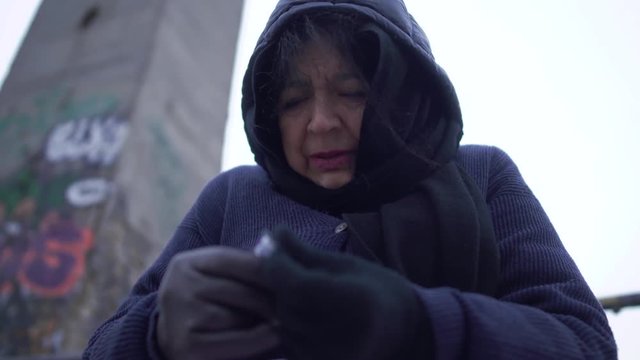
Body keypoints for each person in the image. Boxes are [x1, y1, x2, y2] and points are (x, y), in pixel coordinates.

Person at [83, 0, 617, 359]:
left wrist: (417, 323)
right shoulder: (232, 197)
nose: (320, 122)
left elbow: (583, 342)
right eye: (292, 101)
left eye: (353, 91)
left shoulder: (483, 174)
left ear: (403, 91)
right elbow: (102, 348)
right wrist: (155, 333)